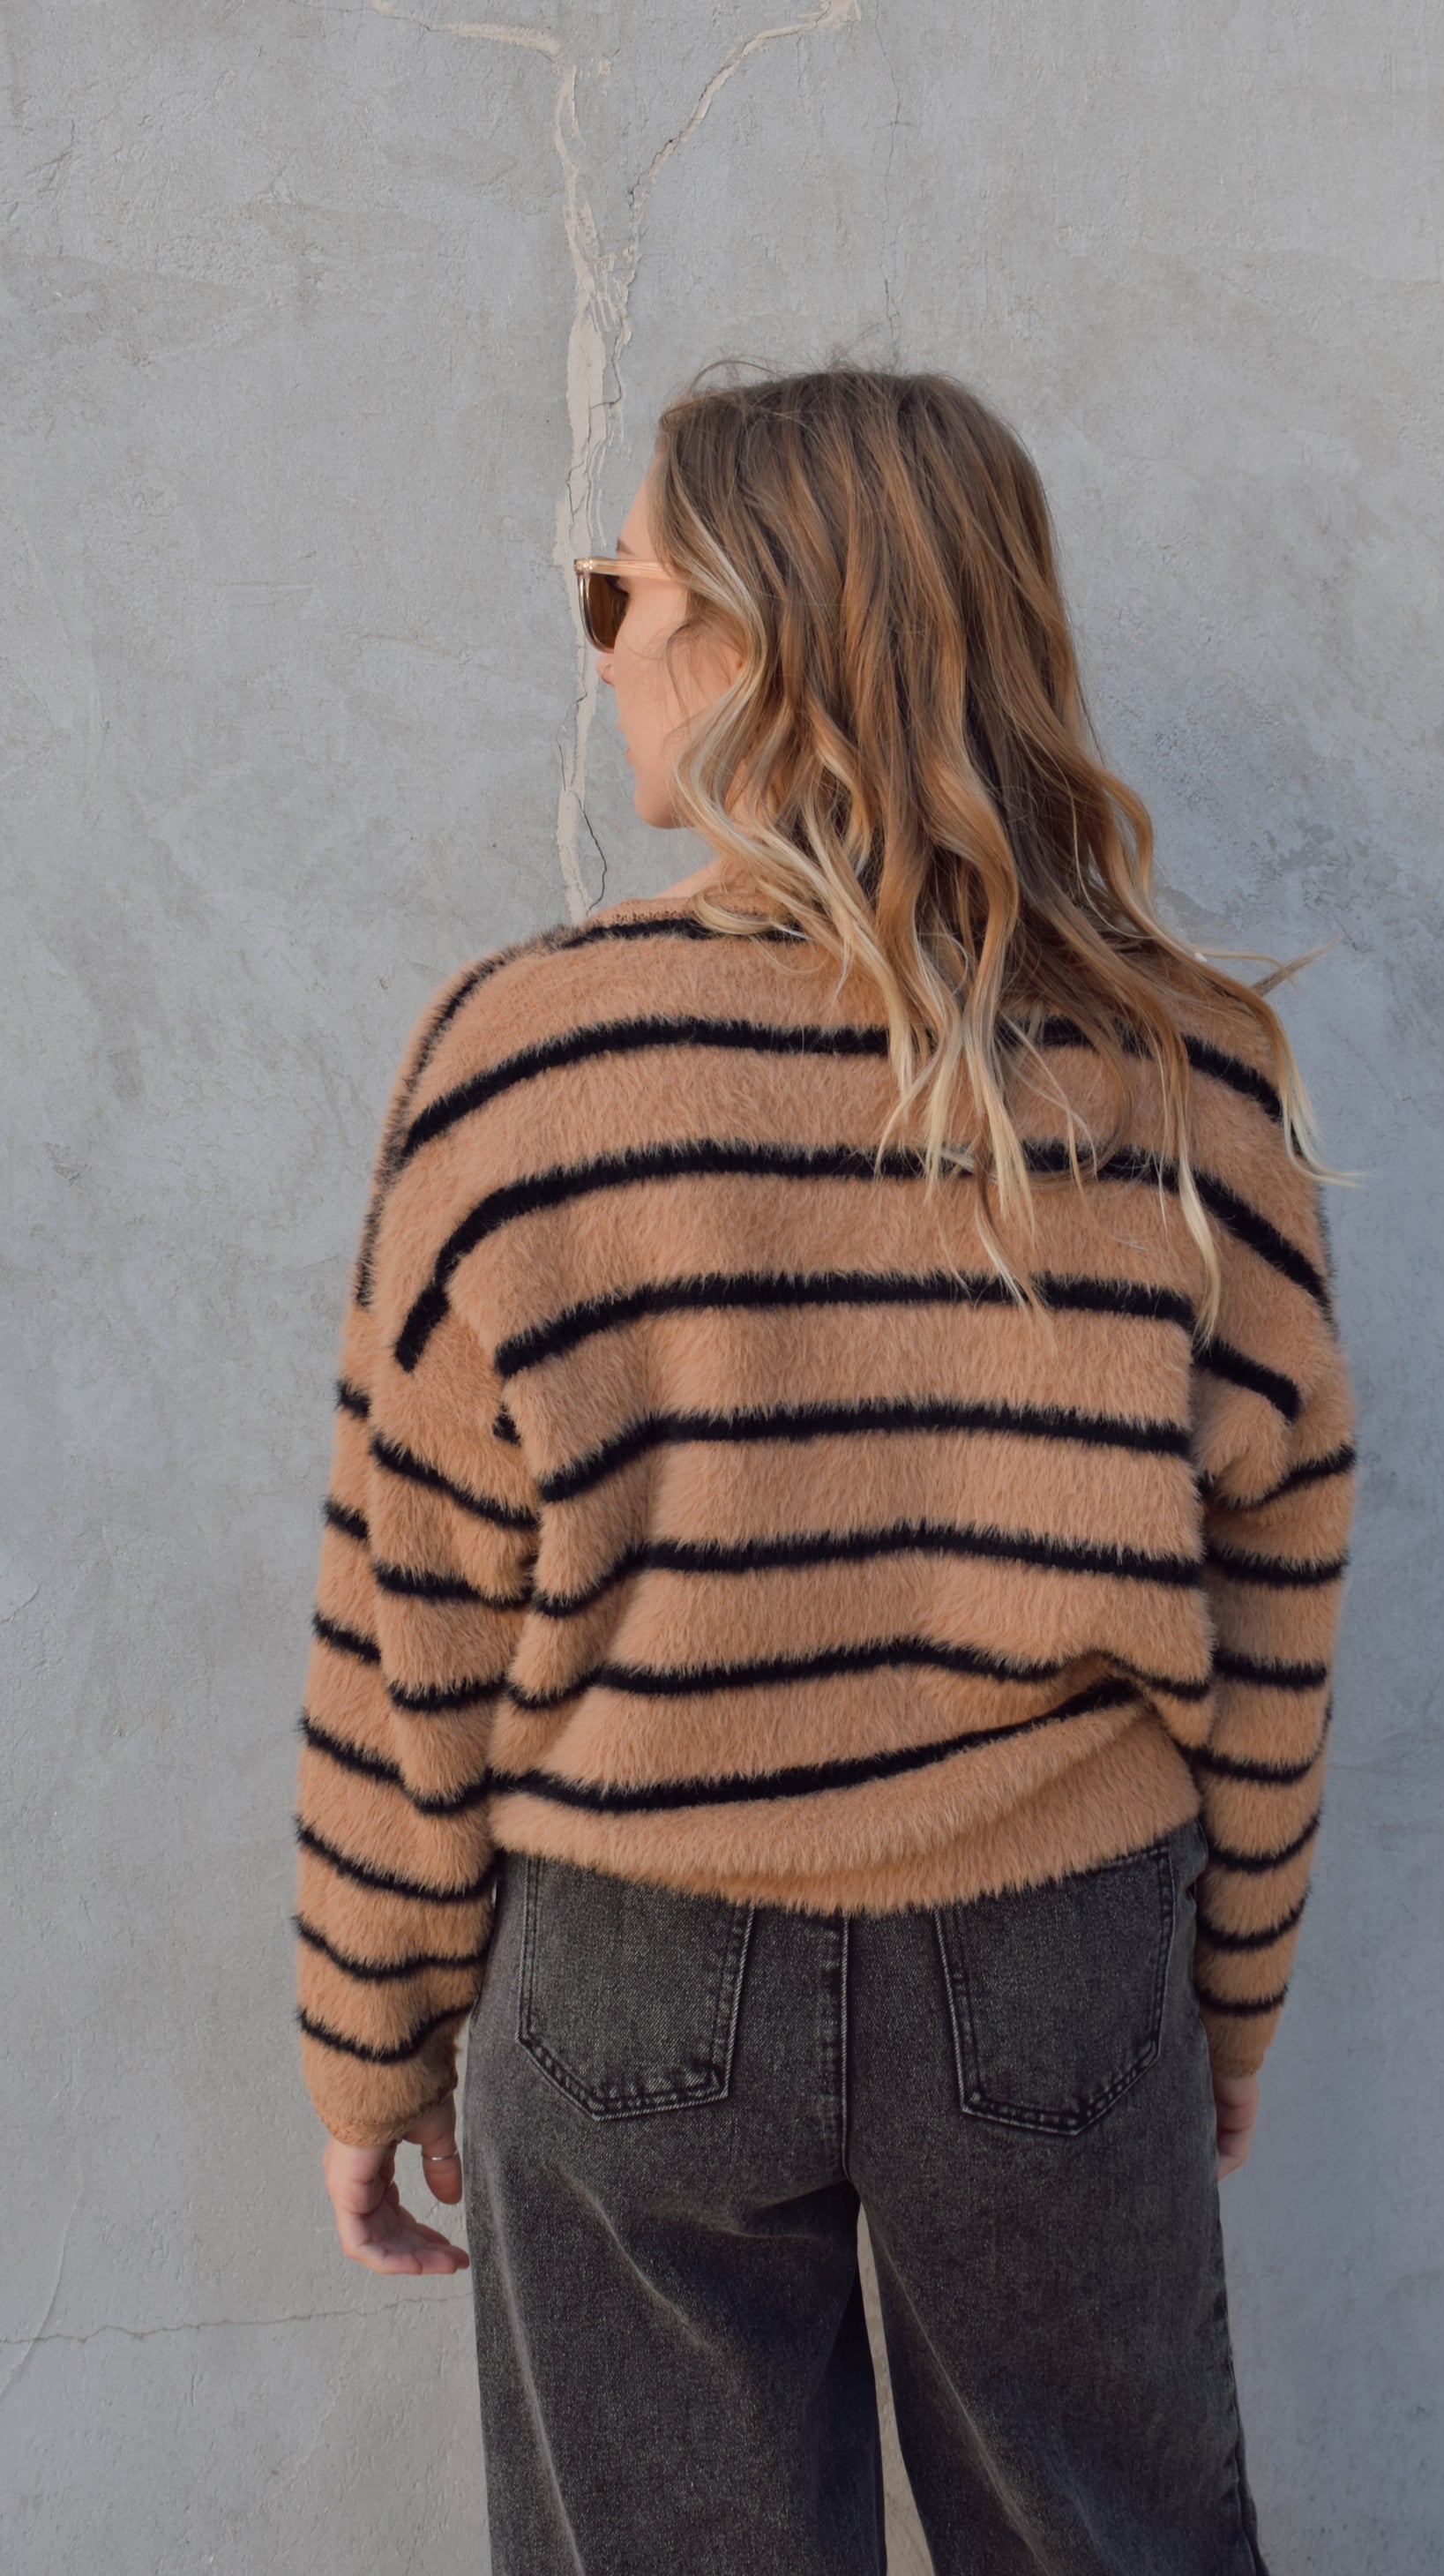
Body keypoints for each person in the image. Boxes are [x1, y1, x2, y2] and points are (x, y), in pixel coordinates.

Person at [291, 364, 1358, 2575]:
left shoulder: (523, 1062)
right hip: (1057, 1958)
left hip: (632, 1962)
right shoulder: (1185, 1071)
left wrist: (365, 2034)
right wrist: (1224, 1986)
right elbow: (1275, 1597)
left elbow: (417, 1606)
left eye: (623, 588)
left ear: (756, 643)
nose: (597, 642)